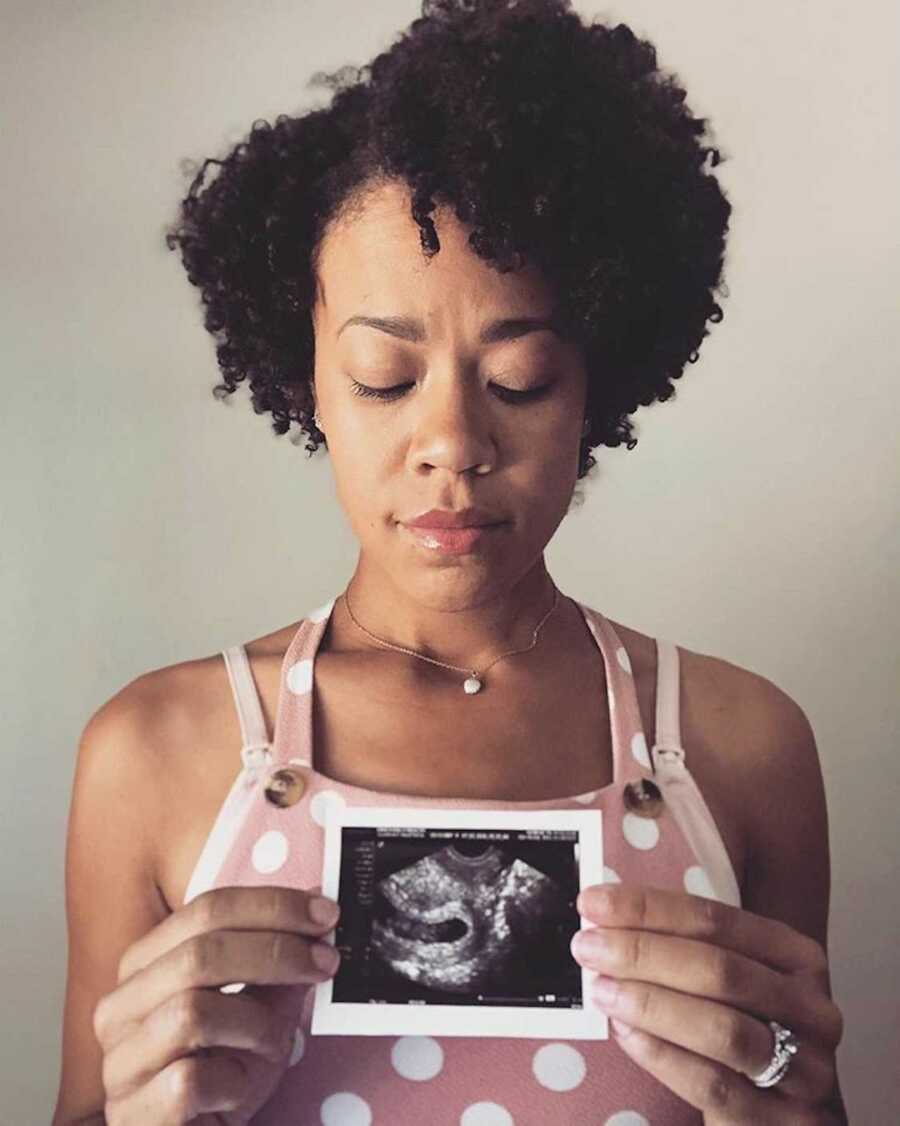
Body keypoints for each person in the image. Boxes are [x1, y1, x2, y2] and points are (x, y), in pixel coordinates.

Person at [52, 1, 846, 1123]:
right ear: (307, 380)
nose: (454, 448)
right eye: (384, 376)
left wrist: (799, 1104)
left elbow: (808, 1093)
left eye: (520, 381)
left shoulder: (744, 746)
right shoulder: (153, 752)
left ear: (597, 387)